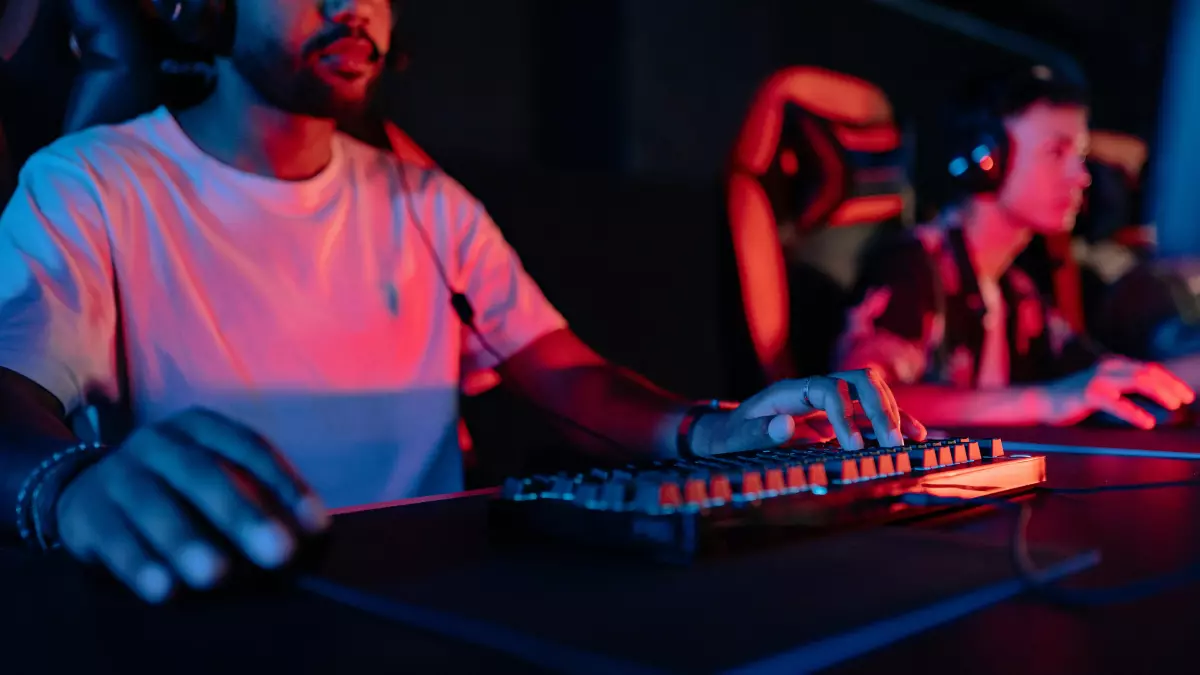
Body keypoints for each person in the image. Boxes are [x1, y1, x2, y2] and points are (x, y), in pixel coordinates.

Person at [0, 0, 924, 603]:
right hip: (226, 608)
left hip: (445, 597)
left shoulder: (424, 199)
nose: (350, 9)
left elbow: (563, 368)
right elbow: (10, 396)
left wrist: (712, 428)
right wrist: (65, 484)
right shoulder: (94, 183)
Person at [835, 65, 1194, 429]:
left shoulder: (1016, 294)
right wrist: (1047, 400)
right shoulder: (912, 267)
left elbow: (1106, 380)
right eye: (1056, 153)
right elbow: (858, 401)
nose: (1081, 176)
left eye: (1080, 156)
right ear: (985, 160)